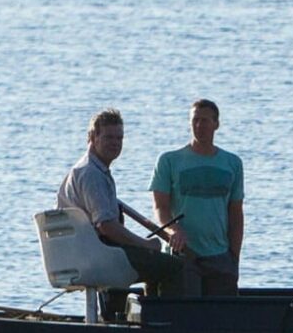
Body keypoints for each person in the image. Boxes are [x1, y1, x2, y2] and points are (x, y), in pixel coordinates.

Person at [56, 108, 197, 301]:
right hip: (94, 255)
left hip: (80, 252)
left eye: (119, 138)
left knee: (153, 262)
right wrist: (145, 244)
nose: (115, 143)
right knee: (174, 266)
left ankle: (141, 315)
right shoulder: (92, 174)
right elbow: (106, 226)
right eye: (109, 137)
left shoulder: (84, 169)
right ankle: (164, 322)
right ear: (92, 137)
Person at [150, 98, 244, 296]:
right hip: (183, 255)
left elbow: (235, 213)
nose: (199, 126)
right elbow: (161, 207)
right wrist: (173, 229)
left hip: (220, 256)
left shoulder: (232, 163)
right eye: (195, 120)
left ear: (216, 124)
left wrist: (234, 255)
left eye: (205, 120)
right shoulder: (169, 161)